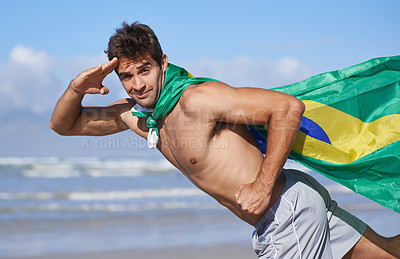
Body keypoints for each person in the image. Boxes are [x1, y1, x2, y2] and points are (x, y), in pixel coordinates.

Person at [50, 22, 399, 258]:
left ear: (163, 63)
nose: (138, 84)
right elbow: (65, 125)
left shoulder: (196, 100)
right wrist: (76, 88)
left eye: (145, 70)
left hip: (284, 210)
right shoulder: (139, 117)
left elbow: (287, 109)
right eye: (127, 76)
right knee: (384, 252)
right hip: (289, 205)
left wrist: (263, 185)